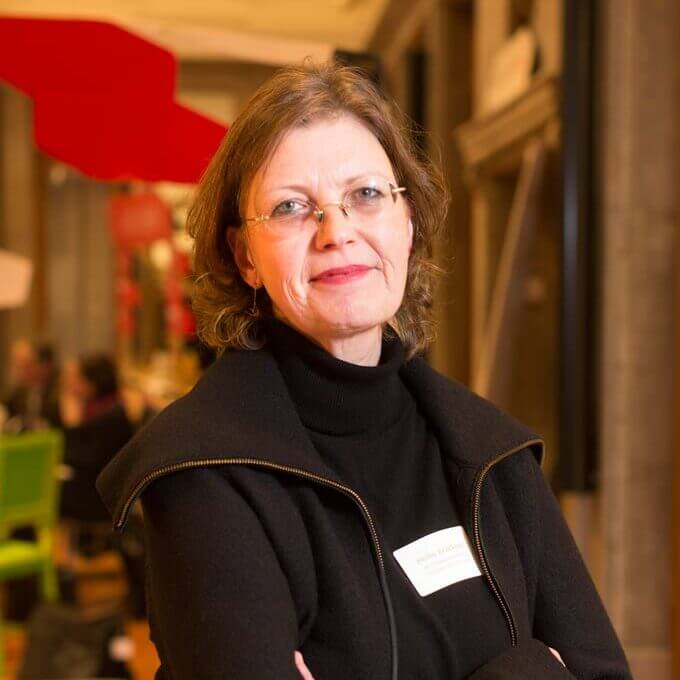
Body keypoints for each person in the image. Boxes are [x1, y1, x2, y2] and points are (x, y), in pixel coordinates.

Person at [97, 62, 631, 679]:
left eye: (367, 195)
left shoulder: (490, 452)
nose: (337, 232)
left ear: (407, 222)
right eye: (292, 207)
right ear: (245, 257)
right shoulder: (205, 474)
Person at [2, 340, 60, 432]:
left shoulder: (57, 392)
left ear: (43, 365)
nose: (21, 371)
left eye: (27, 365)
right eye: (17, 365)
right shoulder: (16, 395)